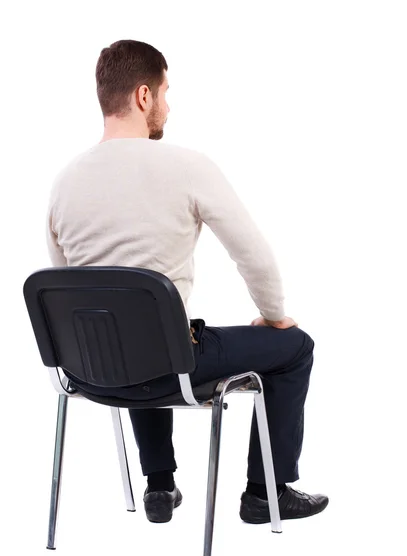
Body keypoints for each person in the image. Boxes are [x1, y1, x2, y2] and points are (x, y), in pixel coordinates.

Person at [46, 39, 329, 525]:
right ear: (142, 96)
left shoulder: (63, 182)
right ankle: (267, 493)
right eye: (165, 92)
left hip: (90, 372)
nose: (167, 105)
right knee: (295, 347)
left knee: (131, 332)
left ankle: (159, 485)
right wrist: (273, 316)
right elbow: (254, 256)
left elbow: (69, 288)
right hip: (169, 367)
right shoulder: (186, 166)